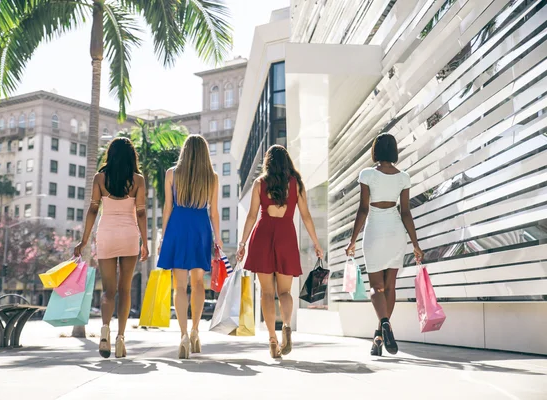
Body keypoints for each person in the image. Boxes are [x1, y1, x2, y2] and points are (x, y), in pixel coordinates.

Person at [237, 145, 324, 359]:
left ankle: (272, 340)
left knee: (267, 293)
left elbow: (251, 216)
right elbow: (306, 216)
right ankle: (286, 325)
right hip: (286, 235)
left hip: (263, 234)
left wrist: (242, 243)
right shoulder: (296, 184)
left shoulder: (260, 183)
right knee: (285, 292)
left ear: (267, 162)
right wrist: (316, 242)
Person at [345, 133, 423, 356]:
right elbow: (406, 212)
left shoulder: (368, 174)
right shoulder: (403, 177)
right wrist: (416, 245)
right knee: (390, 287)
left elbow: (363, 209)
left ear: (376, 151)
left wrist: (352, 241)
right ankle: (380, 334)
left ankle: (385, 324)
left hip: (375, 232)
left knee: (375, 287)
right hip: (397, 232)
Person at [74, 137, 148, 359]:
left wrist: (84, 240)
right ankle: (120, 338)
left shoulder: (99, 178)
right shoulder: (138, 180)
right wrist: (145, 242)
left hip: (106, 234)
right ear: (131, 156)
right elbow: (141, 213)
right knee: (125, 290)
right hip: (128, 235)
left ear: (111, 154)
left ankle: (105, 330)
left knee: (108, 290)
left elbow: (93, 210)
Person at [158, 135, 221, 359]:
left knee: (179, 286)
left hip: (177, 227)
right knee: (198, 284)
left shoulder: (171, 174)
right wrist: (218, 240)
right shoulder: (212, 178)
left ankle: (183, 335)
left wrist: (163, 237)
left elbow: (167, 208)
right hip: (200, 229)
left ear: (184, 151)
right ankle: (195, 331)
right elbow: (213, 213)